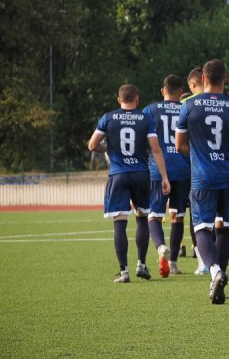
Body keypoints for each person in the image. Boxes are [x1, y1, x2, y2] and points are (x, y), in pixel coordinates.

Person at [88, 84, 170, 283]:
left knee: (120, 222)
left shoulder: (108, 118)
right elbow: (156, 149)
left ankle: (124, 271)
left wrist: (108, 148)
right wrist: (164, 177)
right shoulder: (145, 118)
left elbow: (92, 145)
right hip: (141, 174)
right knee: (142, 218)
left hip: (118, 175)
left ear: (119, 99)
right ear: (137, 99)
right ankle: (141, 264)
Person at [175, 59, 229, 304]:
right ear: (225, 79)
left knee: (202, 228)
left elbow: (179, 145)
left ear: (203, 79)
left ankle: (215, 272)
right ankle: (219, 280)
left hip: (203, 177)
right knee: (224, 227)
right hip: (227, 175)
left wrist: (198, 154)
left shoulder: (188, 106)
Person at [143, 74, 190, 276]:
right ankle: (173, 263)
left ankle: (161, 246)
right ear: (181, 92)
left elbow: (142, 139)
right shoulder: (186, 108)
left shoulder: (150, 110)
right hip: (182, 169)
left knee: (154, 215)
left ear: (163, 91)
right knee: (178, 217)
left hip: (157, 170)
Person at [182, 68, 208, 273]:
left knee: (195, 216)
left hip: (192, 168)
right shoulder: (224, 101)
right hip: (221, 166)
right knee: (220, 219)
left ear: (192, 84)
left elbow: (178, 142)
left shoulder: (185, 103)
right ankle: (218, 260)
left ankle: (203, 261)